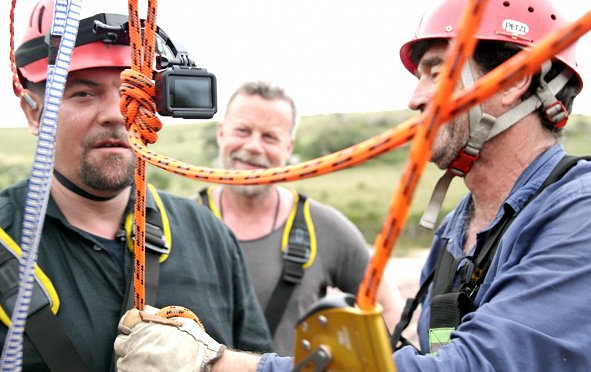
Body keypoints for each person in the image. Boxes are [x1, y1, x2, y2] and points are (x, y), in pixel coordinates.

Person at [112, 0, 591, 371]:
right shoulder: (457, 229)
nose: (415, 98)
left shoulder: (578, 218)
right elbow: (420, 351)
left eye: (437, 72)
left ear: (512, 83)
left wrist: (214, 363)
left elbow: (470, 365)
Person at [0, 1, 272, 370]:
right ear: (33, 112)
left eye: (132, 89)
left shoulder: (209, 236)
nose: (115, 113)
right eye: (83, 93)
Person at [196, 81, 403, 355]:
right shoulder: (184, 222)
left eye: (270, 137)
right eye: (242, 131)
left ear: (288, 147)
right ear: (221, 134)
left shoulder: (325, 228)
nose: (254, 146)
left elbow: (388, 310)